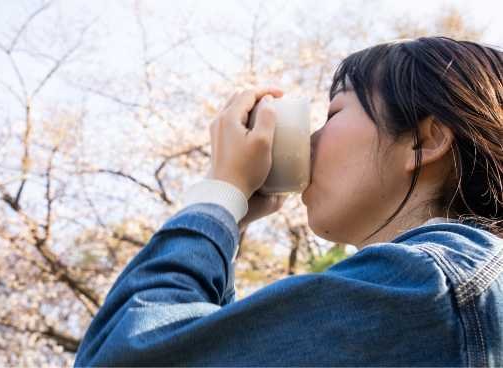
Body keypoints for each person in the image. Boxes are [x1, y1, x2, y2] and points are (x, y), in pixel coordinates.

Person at [73, 36, 503, 366]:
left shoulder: (427, 285)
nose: (311, 139)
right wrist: (234, 218)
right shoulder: (441, 293)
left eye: (334, 114)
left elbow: (122, 356)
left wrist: (220, 193)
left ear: (423, 141)